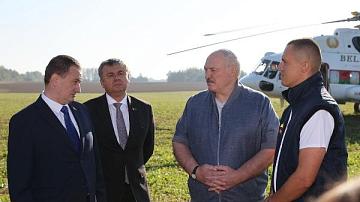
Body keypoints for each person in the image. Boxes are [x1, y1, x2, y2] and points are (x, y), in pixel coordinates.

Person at [172, 49, 279, 201]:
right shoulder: (195, 104)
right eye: (206, 70)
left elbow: (271, 148)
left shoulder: (259, 104)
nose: (207, 76)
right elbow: (179, 142)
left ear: (233, 71)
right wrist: (196, 171)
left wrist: (238, 176)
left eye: (213, 70)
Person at [7, 55, 106, 202]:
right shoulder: (24, 121)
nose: (79, 88)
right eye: (75, 81)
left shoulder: (83, 111)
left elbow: (94, 162)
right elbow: (19, 185)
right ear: (55, 80)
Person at [267, 39, 348, 202]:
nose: (279, 67)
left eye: (284, 61)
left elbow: (304, 178)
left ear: (304, 66)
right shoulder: (295, 108)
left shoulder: (318, 109)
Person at [84, 58, 154, 202]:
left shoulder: (144, 109)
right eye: (110, 75)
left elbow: (147, 147)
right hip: (104, 190)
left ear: (128, 77)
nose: (116, 78)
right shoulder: (88, 110)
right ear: (102, 82)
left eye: (121, 73)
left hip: (137, 190)